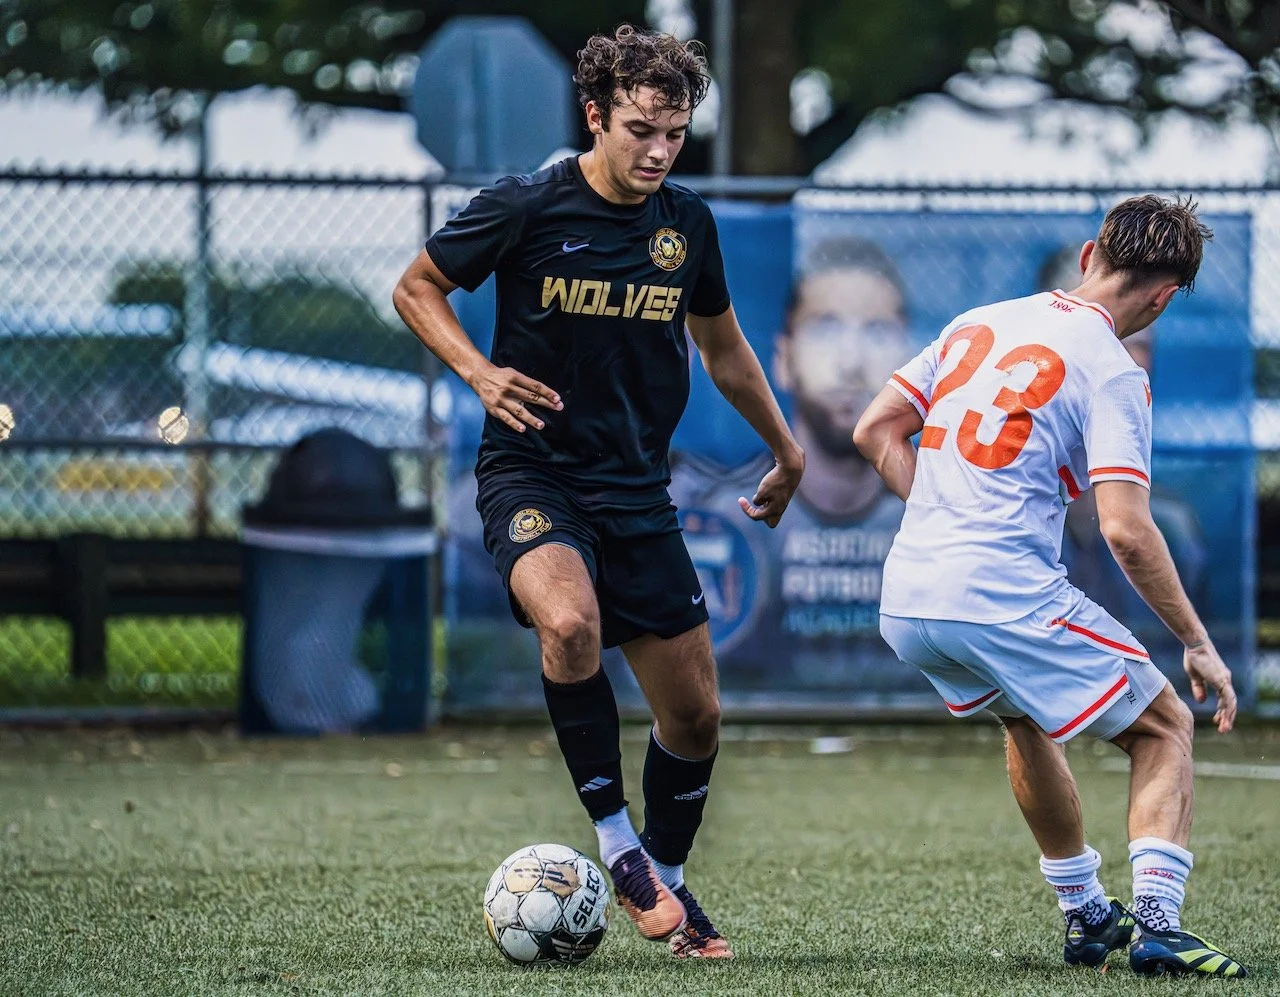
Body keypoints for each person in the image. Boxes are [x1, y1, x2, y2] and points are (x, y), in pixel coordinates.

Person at [392, 25, 804, 959]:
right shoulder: (525, 205)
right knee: (570, 624)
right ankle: (616, 839)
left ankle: (670, 870)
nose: (658, 150)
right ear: (594, 116)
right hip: (531, 471)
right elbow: (417, 288)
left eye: (674, 133)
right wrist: (478, 373)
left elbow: (726, 347)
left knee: (695, 716)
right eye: (639, 129)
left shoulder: (685, 226)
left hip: (637, 490)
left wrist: (786, 447)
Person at [854, 195, 1246, 977]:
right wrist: (1198, 644)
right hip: (997, 589)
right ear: (1165, 298)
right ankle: (1160, 924)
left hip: (909, 592)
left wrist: (943, 509)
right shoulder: (1115, 368)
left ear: (1089, 253)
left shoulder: (978, 320)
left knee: (1025, 719)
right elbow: (1127, 529)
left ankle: (1087, 913)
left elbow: (874, 431)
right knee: (1164, 724)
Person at [670, 239, 914, 690]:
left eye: (877, 333)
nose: (850, 362)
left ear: (910, 359)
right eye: (825, 329)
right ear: (783, 360)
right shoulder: (722, 517)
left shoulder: (935, 516)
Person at [1037, 246, 1210, 629]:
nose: (1111, 357)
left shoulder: (1175, 533)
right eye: (1088, 332)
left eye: (1134, 341)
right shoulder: (1002, 514)